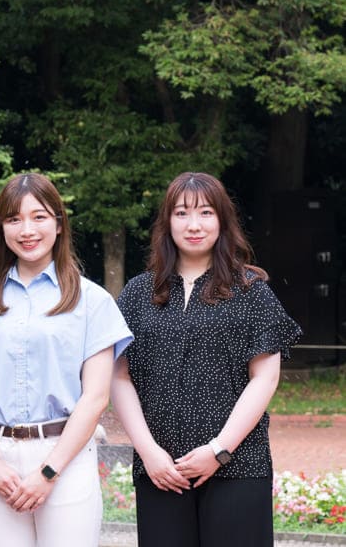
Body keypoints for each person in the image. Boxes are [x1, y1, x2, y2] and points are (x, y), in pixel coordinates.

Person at [111, 172, 301, 546]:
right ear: (167, 222)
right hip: (161, 470)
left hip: (238, 466)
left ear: (222, 220)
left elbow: (265, 378)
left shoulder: (250, 290)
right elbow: (118, 377)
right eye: (182, 213)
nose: (194, 225)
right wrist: (148, 453)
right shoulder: (138, 293)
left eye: (205, 213)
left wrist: (219, 450)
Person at [0, 173, 133, 547]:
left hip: (66, 457)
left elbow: (96, 397)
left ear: (59, 224)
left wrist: (48, 471)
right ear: (1, 228)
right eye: (14, 219)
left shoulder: (91, 301)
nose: (27, 230)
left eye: (39, 217)